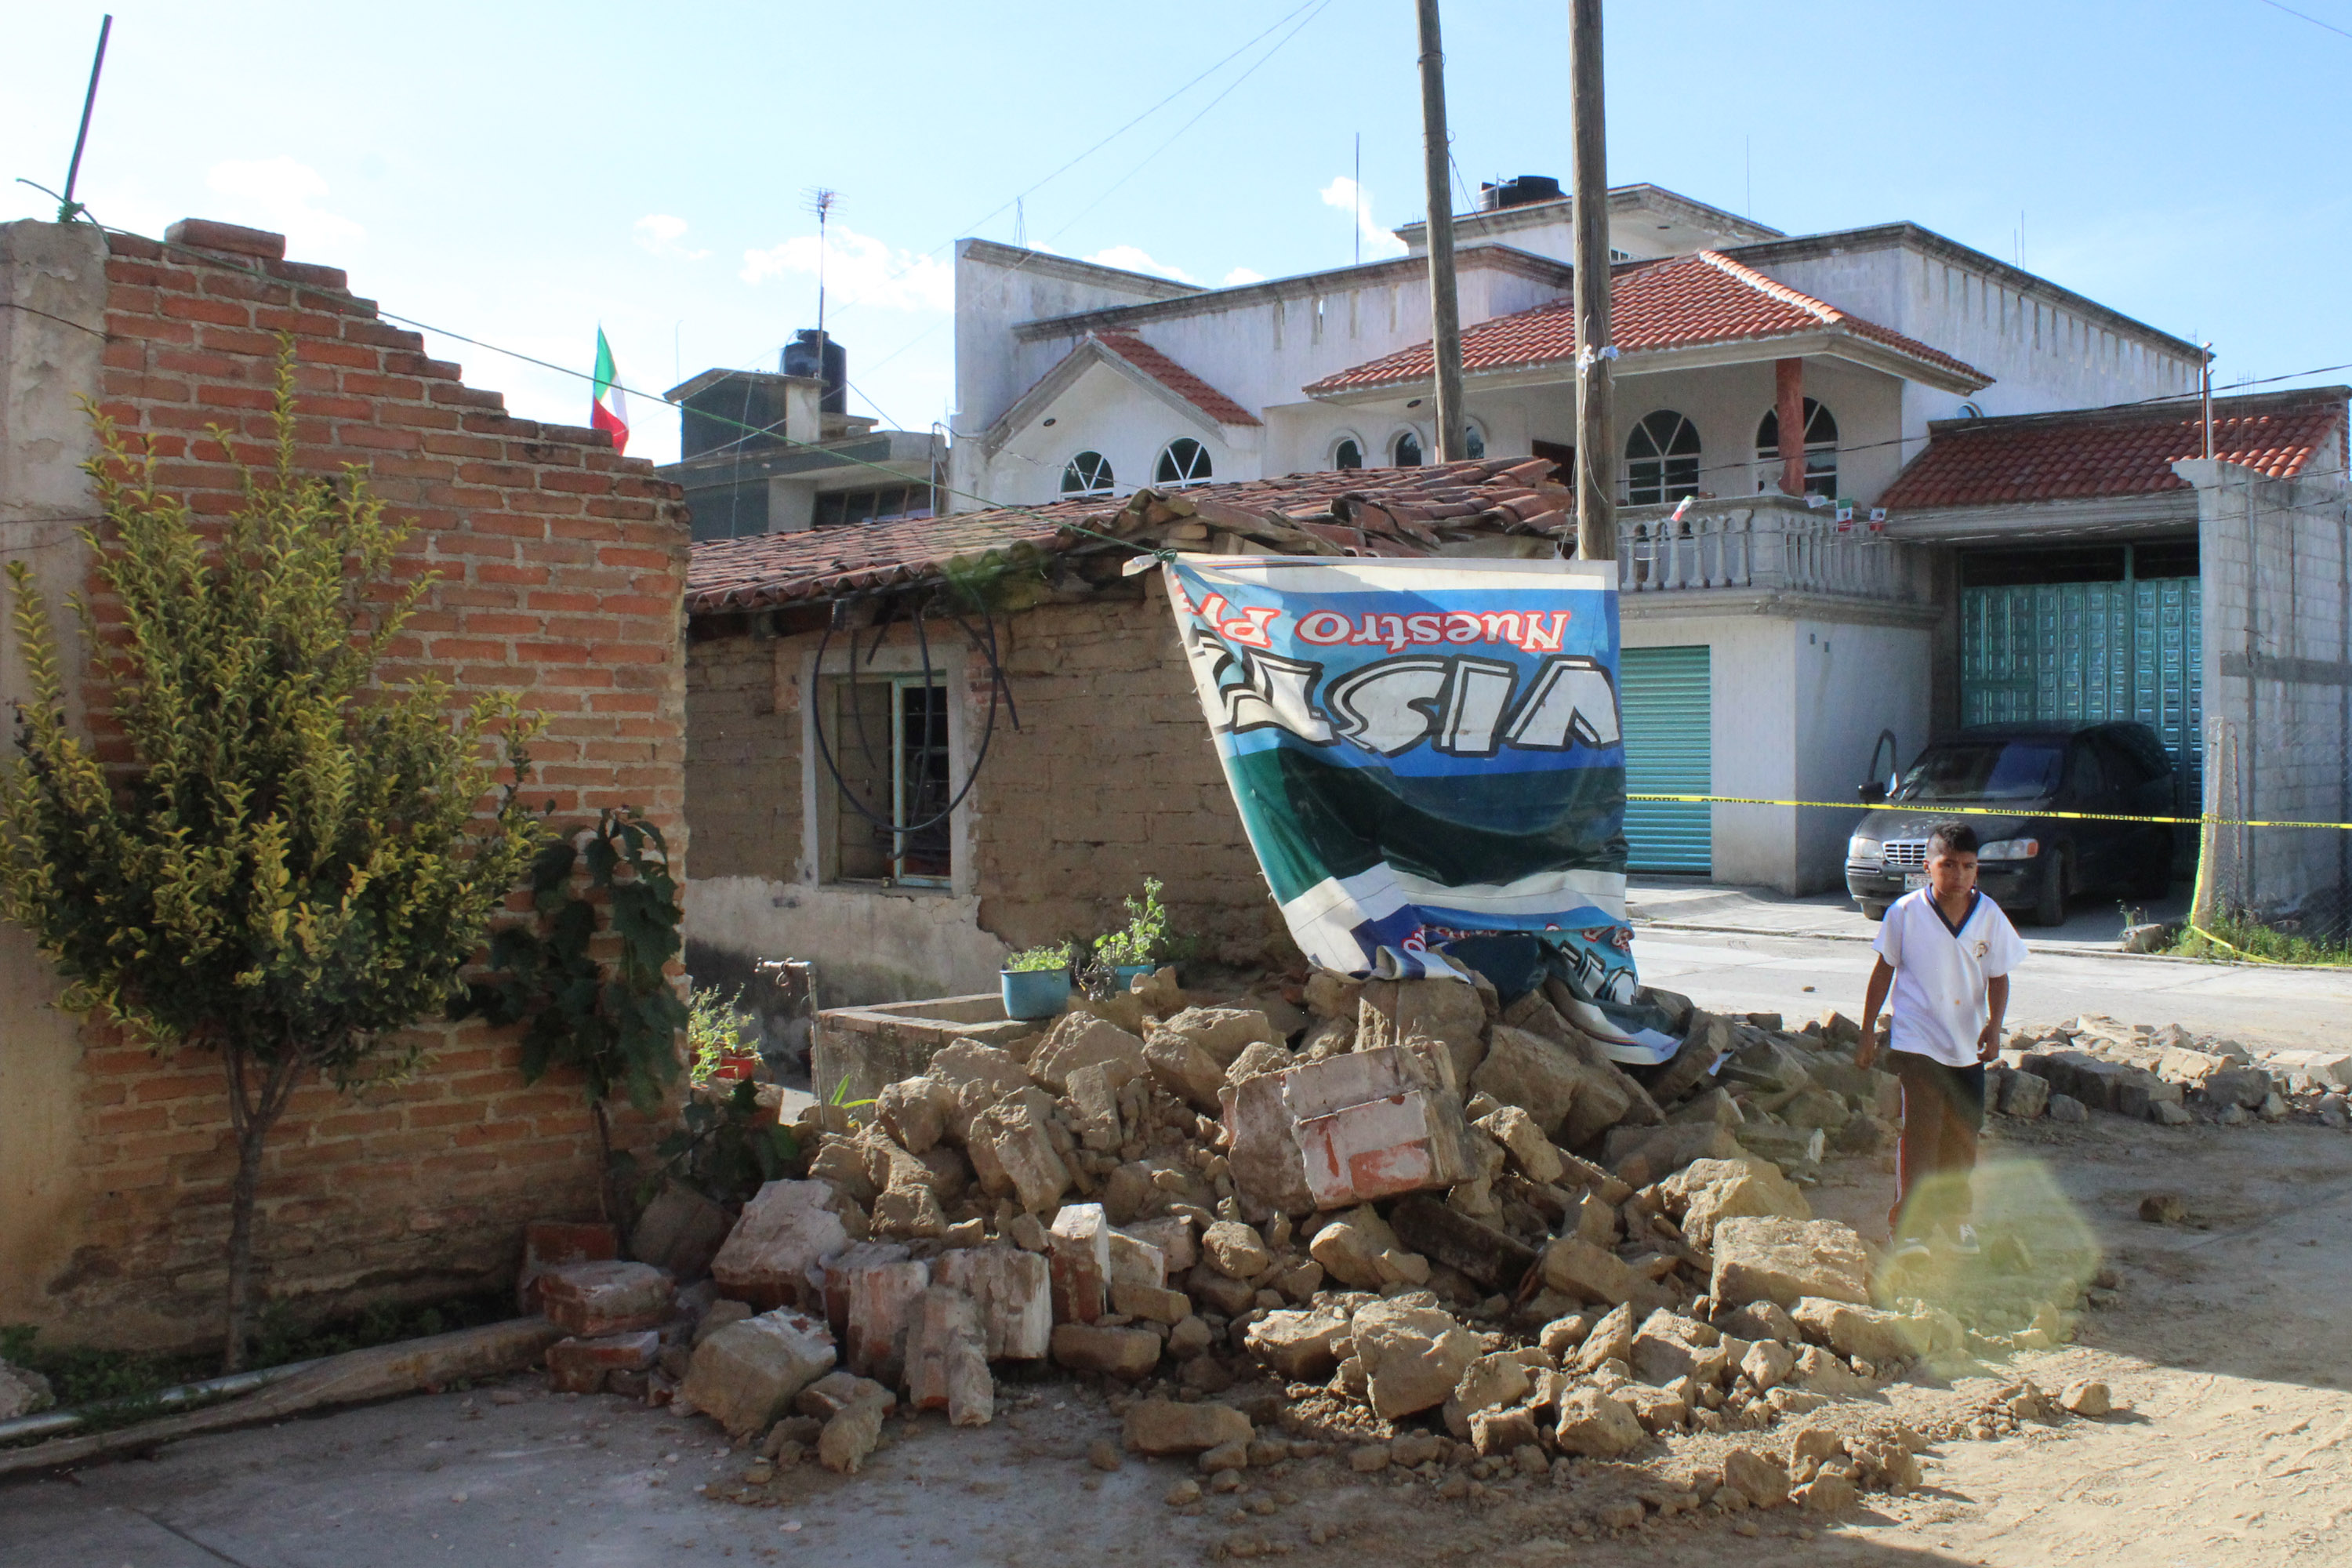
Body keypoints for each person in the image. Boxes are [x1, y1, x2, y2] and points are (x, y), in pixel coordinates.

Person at [1857, 820, 2025, 1258]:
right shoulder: (1905, 914)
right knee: (1923, 1133)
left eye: (1968, 866)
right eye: (1948, 865)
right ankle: (1910, 1227)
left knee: (1964, 1133)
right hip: (1917, 1040)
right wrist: (1867, 1032)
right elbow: (1883, 972)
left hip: (1966, 1042)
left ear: (1978, 871)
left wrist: (1994, 1027)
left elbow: (1999, 977)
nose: (1958, 875)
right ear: (1928, 866)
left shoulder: (1988, 915)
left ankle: (1955, 1219)